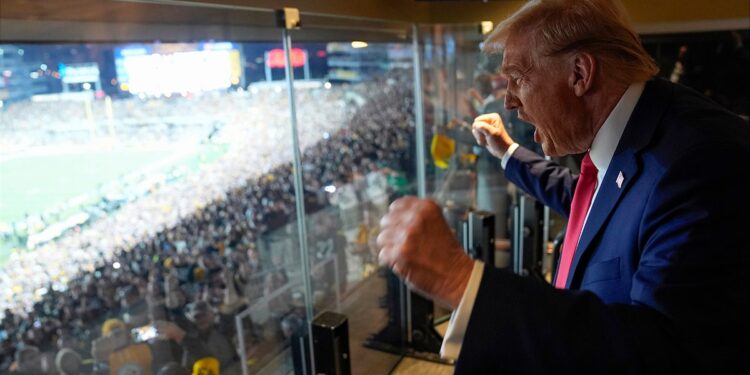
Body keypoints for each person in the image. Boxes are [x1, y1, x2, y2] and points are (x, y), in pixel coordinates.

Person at [376, 0, 749, 373]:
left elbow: (660, 353)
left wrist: (460, 280)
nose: (508, 101)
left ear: (580, 73)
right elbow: (596, 204)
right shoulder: (646, 124)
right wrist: (508, 153)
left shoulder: (699, 164)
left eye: (518, 77)